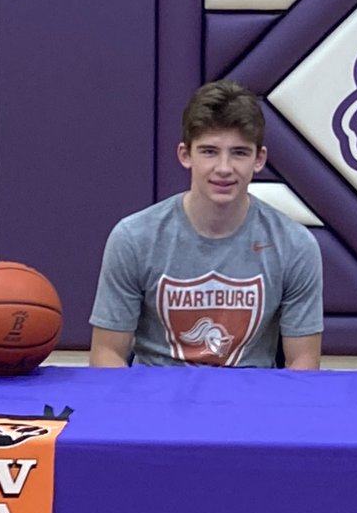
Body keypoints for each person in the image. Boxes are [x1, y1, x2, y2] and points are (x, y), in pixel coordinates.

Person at [89, 79, 323, 368]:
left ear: (258, 159)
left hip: (249, 407)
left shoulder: (295, 245)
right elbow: (107, 354)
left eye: (239, 153)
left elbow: (303, 362)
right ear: (185, 155)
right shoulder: (133, 238)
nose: (224, 168)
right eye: (209, 151)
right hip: (155, 405)